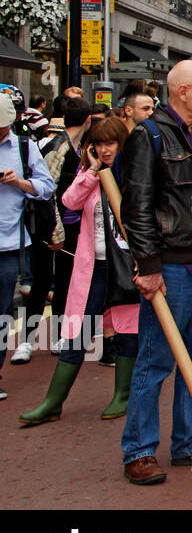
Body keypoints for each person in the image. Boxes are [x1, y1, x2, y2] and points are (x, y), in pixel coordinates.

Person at [119, 61, 192, 485]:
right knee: (156, 360)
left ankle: (191, 441)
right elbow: (136, 208)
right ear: (184, 91)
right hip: (171, 267)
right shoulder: (147, 136)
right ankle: (139, 450)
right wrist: (149, 267)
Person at [19, 117, 137, 425]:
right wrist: (93, 172)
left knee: (127, 331)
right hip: (93, 266)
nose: (104, 149)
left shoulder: (134, 174)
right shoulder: (90, 173)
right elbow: (69, 201)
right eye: (97, 144)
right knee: (77, 333)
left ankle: (122, 396)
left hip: (124, 265)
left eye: (110, 143)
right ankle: (53, 401)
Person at [15, 96, 95, 365]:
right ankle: (26, 340)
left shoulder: (73, 146)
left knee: (62, 281)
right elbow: (46, 193)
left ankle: (59, 335)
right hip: (52, 227)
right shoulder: (60, 147)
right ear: (87, 120)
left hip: (67, 226)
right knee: (42, 280)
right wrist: (55, 232)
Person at [0, 91, 55, 402]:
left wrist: (19, 183)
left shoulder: (24, 147)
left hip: (10, 243)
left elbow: (47, 188)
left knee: (2, 310)